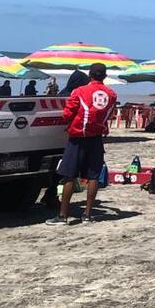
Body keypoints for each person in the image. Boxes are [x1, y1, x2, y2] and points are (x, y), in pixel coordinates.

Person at [47, 63, 117, 225]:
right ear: (104, 76)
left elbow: (67, 113)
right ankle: (87, 215)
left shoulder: (79, 91)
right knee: (93, 176)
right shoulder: (111, 94)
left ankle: (63, 216)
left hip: (78, 137)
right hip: (97, 137)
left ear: (89, 75)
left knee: (69, 175)